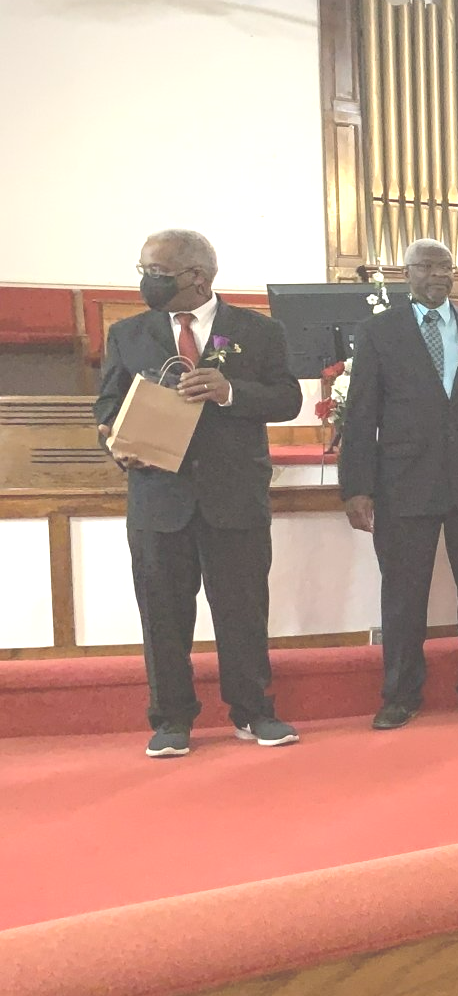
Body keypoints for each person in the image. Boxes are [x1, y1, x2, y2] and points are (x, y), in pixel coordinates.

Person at [95, 229, 303, 758]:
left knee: (242, 610)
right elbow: (107, 406)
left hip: (233, 495)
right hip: (158, 498)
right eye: (142, 271)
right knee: (162, 613)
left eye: (156, 274)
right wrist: (116, 444)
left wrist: (231, 391)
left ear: (198, 278)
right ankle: (171, 720)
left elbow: (288, 398)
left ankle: (253, 712)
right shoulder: (129, 334)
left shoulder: (258, 331)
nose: (145, 282)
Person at [339, 238, 458, 729]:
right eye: (426, 267)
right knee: (403, 595)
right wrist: (356, 487)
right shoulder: (379, 332)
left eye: (445, 267)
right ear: (407, 273)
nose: (438, 275)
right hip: (403, 483)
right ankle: (400, 694)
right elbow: (361, 415)